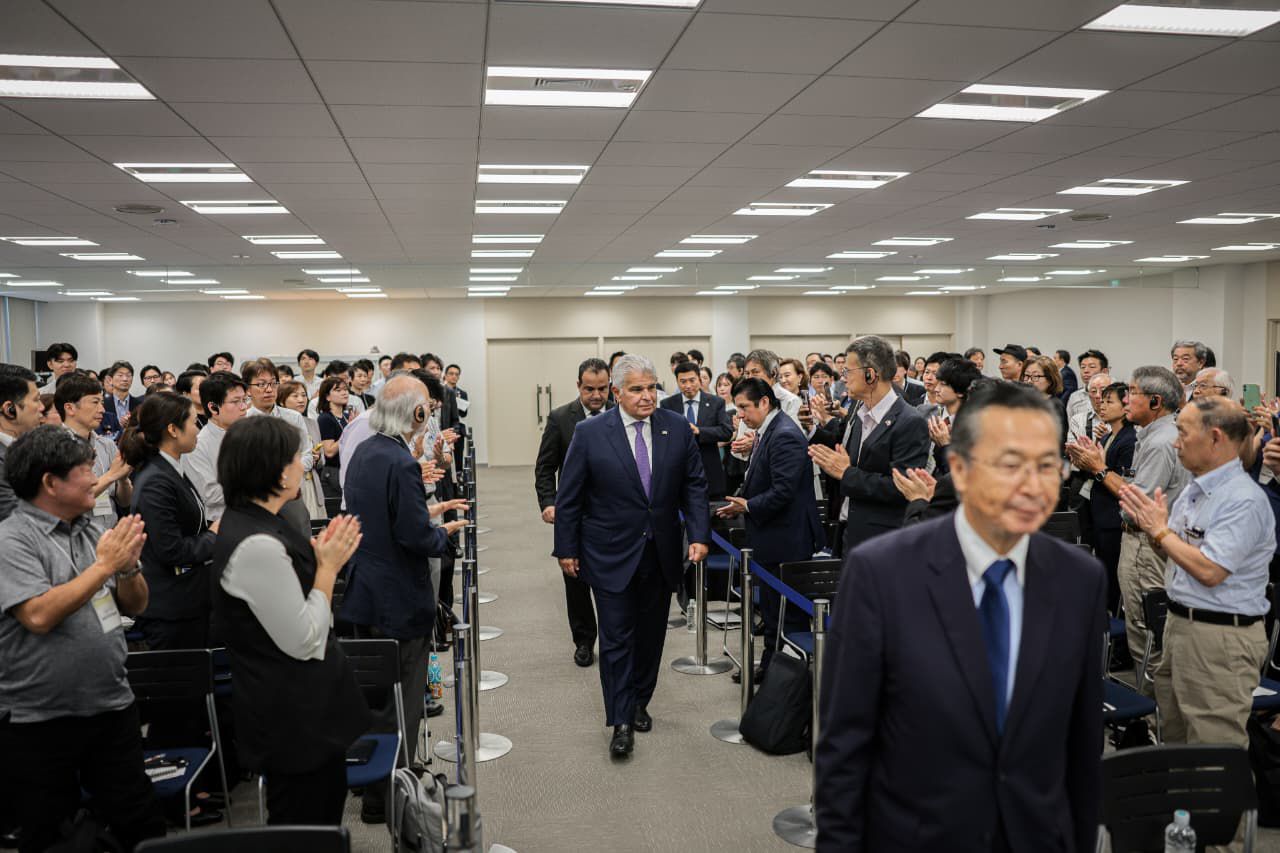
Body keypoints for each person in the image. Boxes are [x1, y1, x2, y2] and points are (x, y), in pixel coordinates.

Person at [815, 381, 1105, 853]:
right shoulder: (882, 573)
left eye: (1048, 466)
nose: (1033, 486)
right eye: (1010, 465)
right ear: (961, 470)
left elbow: (1082, 745)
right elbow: (845, 747)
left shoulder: (1079, 579)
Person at [0, 427, 165, 853]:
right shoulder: (11, 539)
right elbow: (38, 615)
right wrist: (105, 567)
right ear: (50, 483)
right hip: (41, 720)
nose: (96, 479)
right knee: (53, 834)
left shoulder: (91, 532)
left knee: (140, 822)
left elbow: (137, 605)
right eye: (84, 471)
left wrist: (127, 568)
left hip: (111, 705)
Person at [211, 416, 370, 826]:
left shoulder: (258, 520)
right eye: (297, 457)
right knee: (306, 824)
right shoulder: (256, 544)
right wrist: (328, 568)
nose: (303, 464)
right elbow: (305, 638)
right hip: (293, 718)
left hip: (300, 711)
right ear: (278, 472)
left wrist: (317, 558)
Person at [553, 354, 710, 759]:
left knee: (651, 635)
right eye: (637, 389)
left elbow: (694, 485)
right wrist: (566, 548)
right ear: (617, 393)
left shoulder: (676, 427)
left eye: (652, 387)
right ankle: (620, 719)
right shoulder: (590, 432)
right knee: (616, 637)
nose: (647, 396)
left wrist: (698, 534)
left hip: (660, 551)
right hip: (608, 552)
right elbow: (569, 496)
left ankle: (640, 699)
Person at [339, 376, 467, 823]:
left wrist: (426, 515)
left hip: (365, 593)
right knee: (403, 703)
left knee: (376, 700)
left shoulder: (365, 452)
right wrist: (440, 534)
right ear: (417, 413)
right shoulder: (400, 461)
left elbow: (382, 517)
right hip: (397, 599)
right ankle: (391, 795)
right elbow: (414, 537)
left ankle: (374, 786)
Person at [1119, 397, 1274, 755]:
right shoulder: (1195, 488)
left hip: (1219, 637)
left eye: (1183, 434)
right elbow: (1178, 553)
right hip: (1181, 626)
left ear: (1215, 437)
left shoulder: (1243, 499)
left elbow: (1210, 571)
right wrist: (1156, 532)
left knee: (1213, 752)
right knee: (1176, 742)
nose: (1176, 443)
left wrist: (1160, 532)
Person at [1067, 365, 1190, 685]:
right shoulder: (1152, 435)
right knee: (1144, 631)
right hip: (1147, 541)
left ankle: (1154, 708)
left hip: (1146, 544)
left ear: (1155, 402)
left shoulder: (1161, 441)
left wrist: (1099, 469)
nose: (1125, 400)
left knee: (1146, 633)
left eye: (1132, 393)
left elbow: (1140, 505)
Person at [716, 377, 823, 675]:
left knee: (787, 615)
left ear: (764, 402)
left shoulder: (785, 434)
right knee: (774, 610)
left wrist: (748, 505)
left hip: (786, 538)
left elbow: (783, 491)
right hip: (772, 535)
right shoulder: (769, 430)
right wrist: (741, 501)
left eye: (744, 407)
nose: (740, 415)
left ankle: (788, 679)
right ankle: (773, 668)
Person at [809, 335, 929, 554]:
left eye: (848, 371)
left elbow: (902, 487)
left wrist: (846, 473)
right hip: (850, 530)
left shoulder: (910, 421)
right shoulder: (859, 412)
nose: (843, 378)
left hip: (884, 540)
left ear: (870, 374)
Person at [121, 393, 217, 651]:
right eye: (194, 423)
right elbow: (171, 549)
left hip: (188, 600)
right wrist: (213, 536)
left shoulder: (170, 469)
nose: (198, 430)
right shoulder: (156, 480)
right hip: (170, 608)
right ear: (173, 430)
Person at [535, 358, 611, 667]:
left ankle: (613, 640)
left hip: (611, 514)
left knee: (612, 581)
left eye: (602, 389)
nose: (596, 395)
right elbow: (545, 467)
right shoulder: (560, 418)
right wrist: (548, 502)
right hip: (573, 514)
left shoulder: (620, 415)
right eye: (589, 389)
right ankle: (584, 641)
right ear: (578, 386)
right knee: (576, 581)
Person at [1078, 382, 1136, 615]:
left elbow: (1120, 482)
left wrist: (1096, 466)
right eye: (1101, 401)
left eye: (1109, 401)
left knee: (1113, 578)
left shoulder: (1129, 440)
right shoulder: (1107, 436)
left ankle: (1115, 625)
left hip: (1114, 517)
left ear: (1125, 406)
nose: (1102, 406)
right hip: (1100, 514)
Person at [243, 359, 316, 536]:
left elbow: (307, 454)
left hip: (291, 495)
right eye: (261, 384)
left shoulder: (293, 417)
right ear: (247, 390)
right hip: (257, 498)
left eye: (273, 383)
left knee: (300, 540)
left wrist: (288, 476)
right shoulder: (242, 421)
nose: (269, 389)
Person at [55, 373, 133, 522]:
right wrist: (111, 475)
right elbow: (71, 501)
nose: (102, 409)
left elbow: (125, 502)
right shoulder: (56, 446)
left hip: (111, 530)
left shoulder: (107, 445)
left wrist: (123, 480)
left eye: (102, 402)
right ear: (70, 408)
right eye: (95, 402)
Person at [660, 360, 733, 500]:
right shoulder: (668, 404)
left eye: (692, 380)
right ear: (677, 381)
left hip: (709, 471)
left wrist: (699, 431)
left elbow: (726, 431)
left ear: (699, 379)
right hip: (678, 470)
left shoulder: (715, 402)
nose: (688, 386)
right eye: (683, 381)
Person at [184, 371, 249, 523]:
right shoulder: (197, 445)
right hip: (222, 523)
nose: (244, 407)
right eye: (235, 402)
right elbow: (211, 494)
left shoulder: (249, 434)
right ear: (213, 408)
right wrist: (257, 483)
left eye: (245, 400)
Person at [0, 365, 45, 522]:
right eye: (36, 400)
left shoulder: (26, 450)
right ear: (10, 409)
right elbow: (17, 519)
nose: (42, 407)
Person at [279, 380, 327, 520]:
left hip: (311, 483)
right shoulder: (278, 424)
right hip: (289, 482)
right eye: (295, 396)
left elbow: (322, 460)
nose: (301, 400)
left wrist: (317, 458)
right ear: (282, 401)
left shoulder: (312, 423)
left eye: (304, 395)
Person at [315, 377, 354, 506]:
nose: (344, 393)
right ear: (327, 397)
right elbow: (329, 451)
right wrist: (349, 429)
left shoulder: (347, 416)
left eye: (345, 389)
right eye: (338, 390)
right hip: (333, 473)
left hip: (348, 470)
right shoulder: (325, 418)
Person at [1020, 354, 1068, 441]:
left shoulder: (1054, 406)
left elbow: (1057, 441)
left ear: (1050, 380)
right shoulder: (1022, 402)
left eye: (1035, 376)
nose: (1029, 381)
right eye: (1027, 376)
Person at [98, 360, 144, 440]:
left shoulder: (140, 404)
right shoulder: (102, 404)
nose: (125, 379)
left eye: (128, 375)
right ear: (110, 380)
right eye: (120, 375)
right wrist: (118, 425)